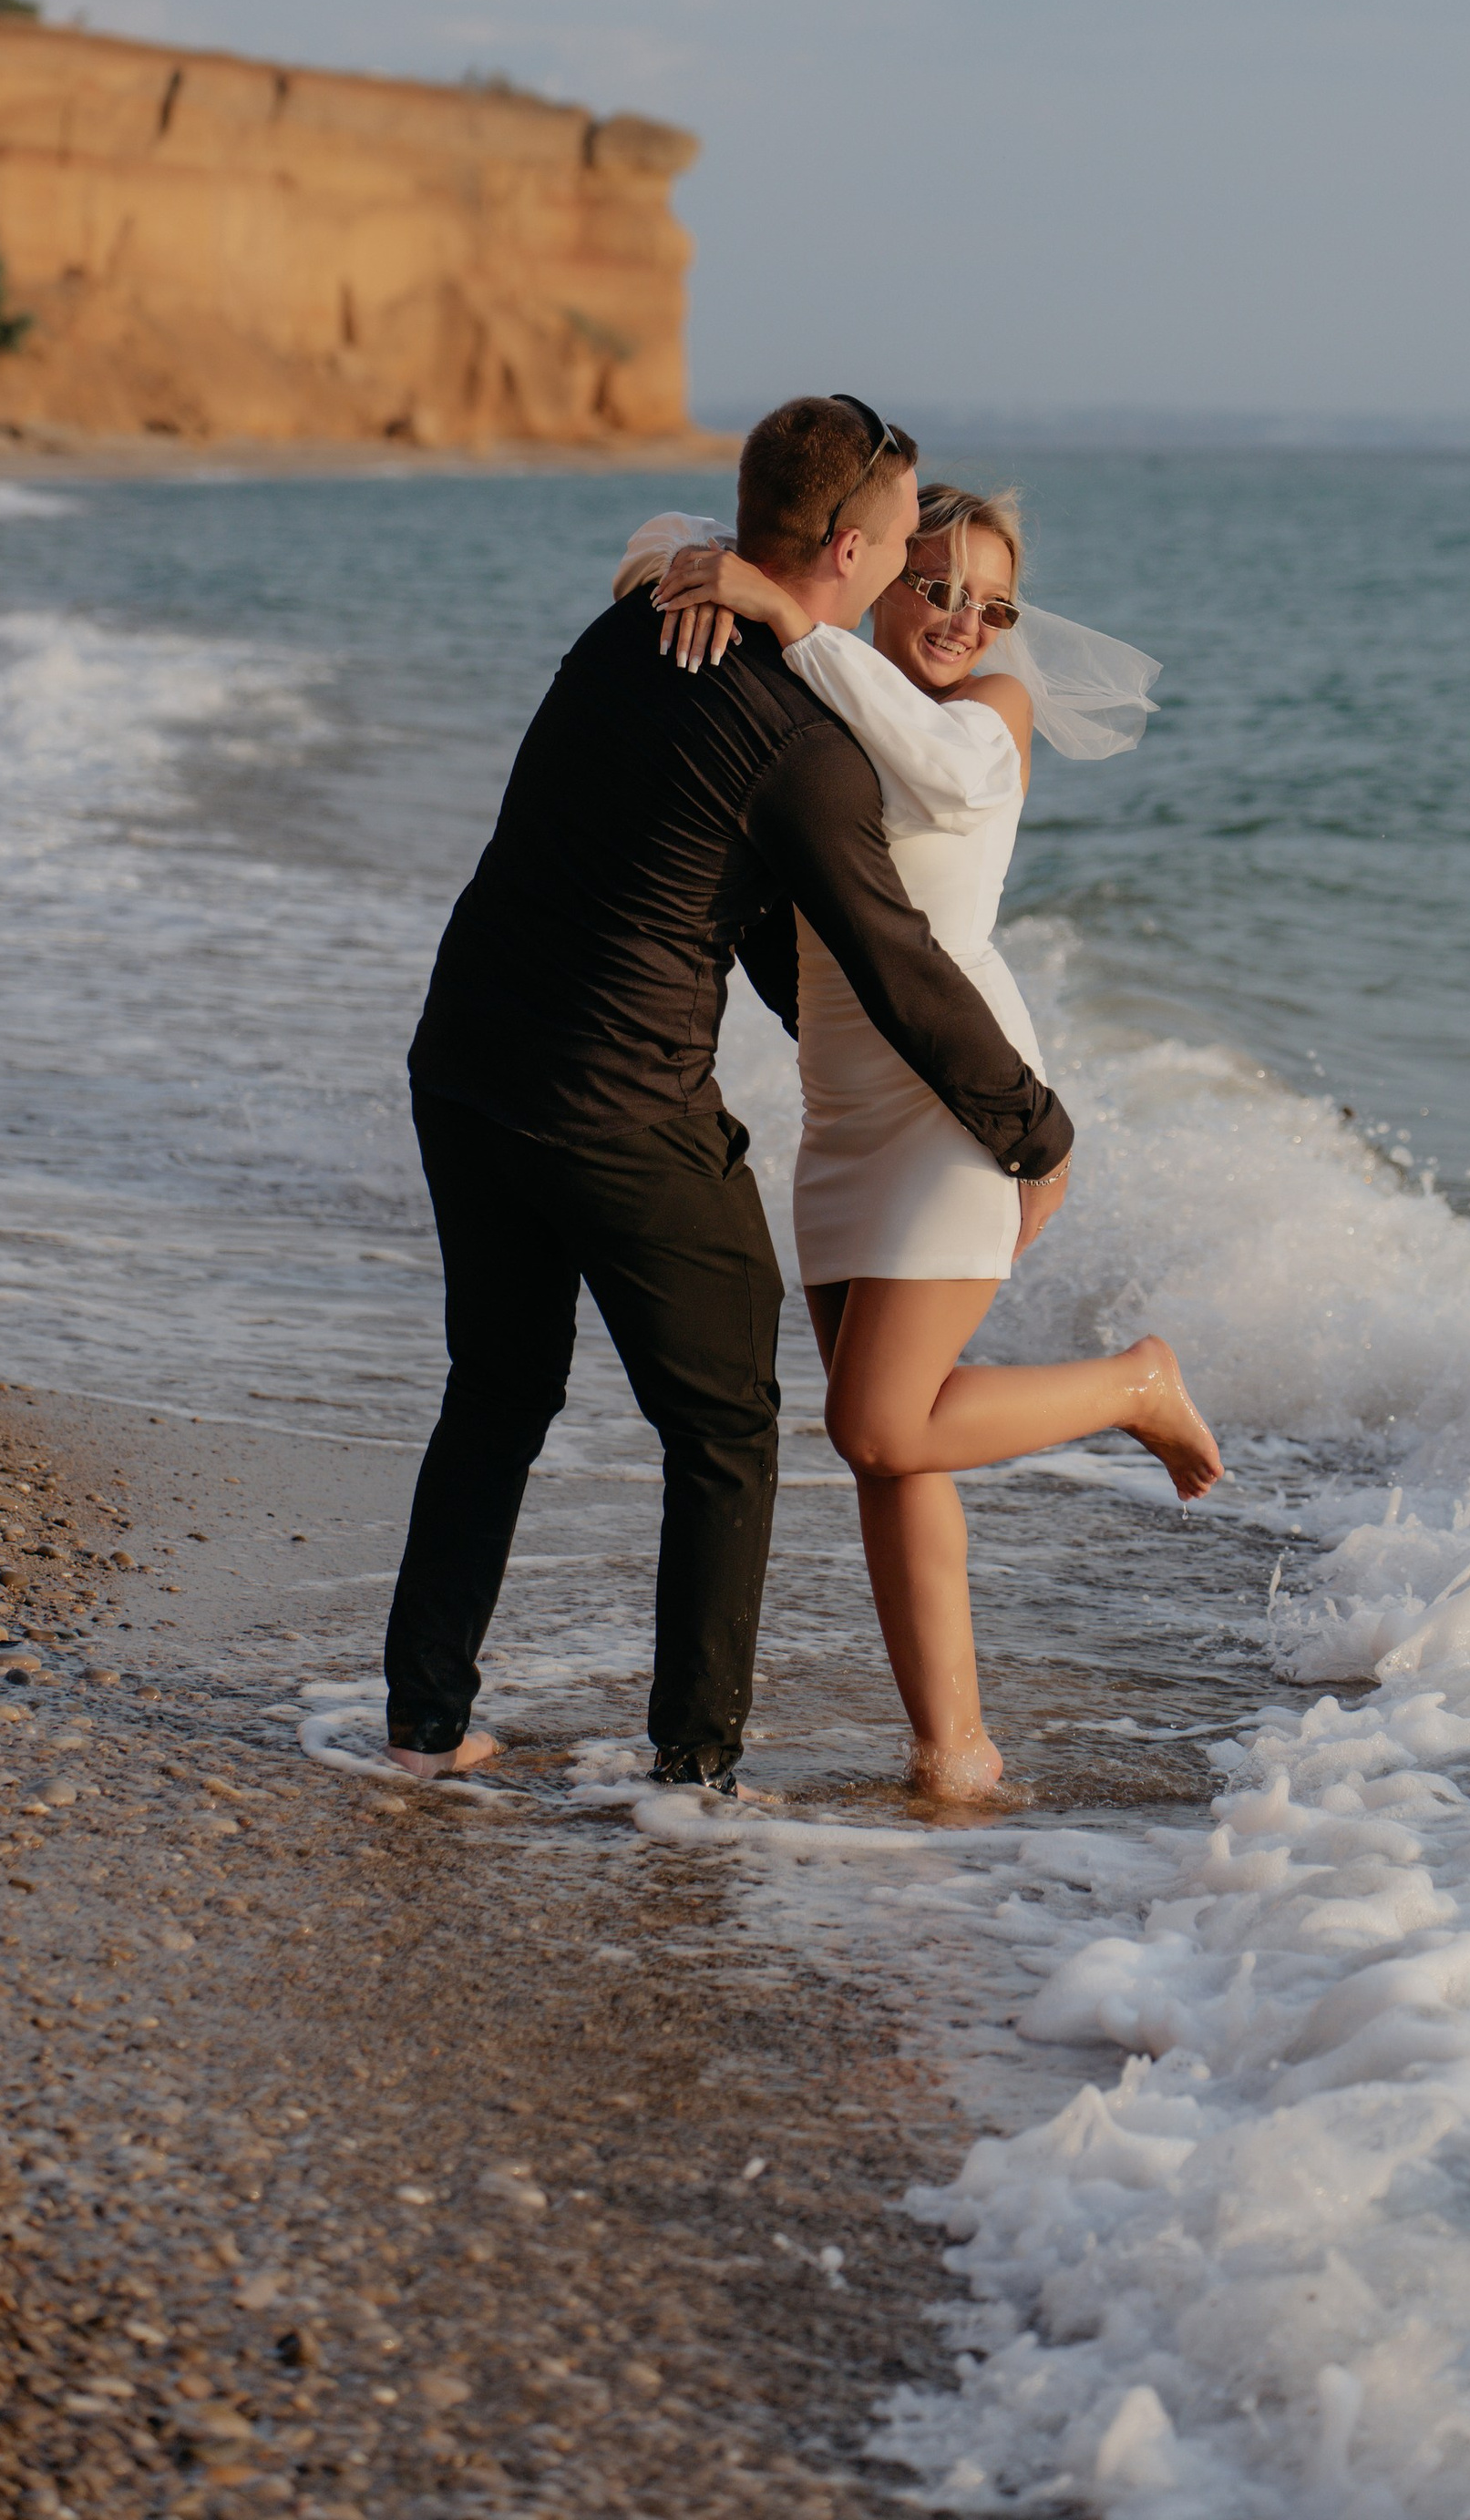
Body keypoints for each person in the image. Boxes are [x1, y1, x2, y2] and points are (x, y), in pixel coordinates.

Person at [384, 394, 1074, 1794]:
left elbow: (770, 937)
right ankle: (693, 1768)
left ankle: (424, 1725)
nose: (910, 573)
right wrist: (1033, 1128)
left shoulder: (630, 622)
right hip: (621, 1112)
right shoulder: (803, 750)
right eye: (897, 546)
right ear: (844, 549)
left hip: (461, 1065)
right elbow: (889, 962)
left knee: (499, 1390)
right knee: (724, 1430)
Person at [641, 478, 1222, 1797]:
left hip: (958, 1098)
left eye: (994, 602)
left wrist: (785, 614)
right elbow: (655, 539)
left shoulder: (986, 715)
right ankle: (953, 1748)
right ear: (885, 570)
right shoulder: (829, 685)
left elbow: (941, 761)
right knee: (889, 1454)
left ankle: (1135, 1383)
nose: (967, 619)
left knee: (884, 1423)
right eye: (941, 584)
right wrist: (699, 567)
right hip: (845, 1110)